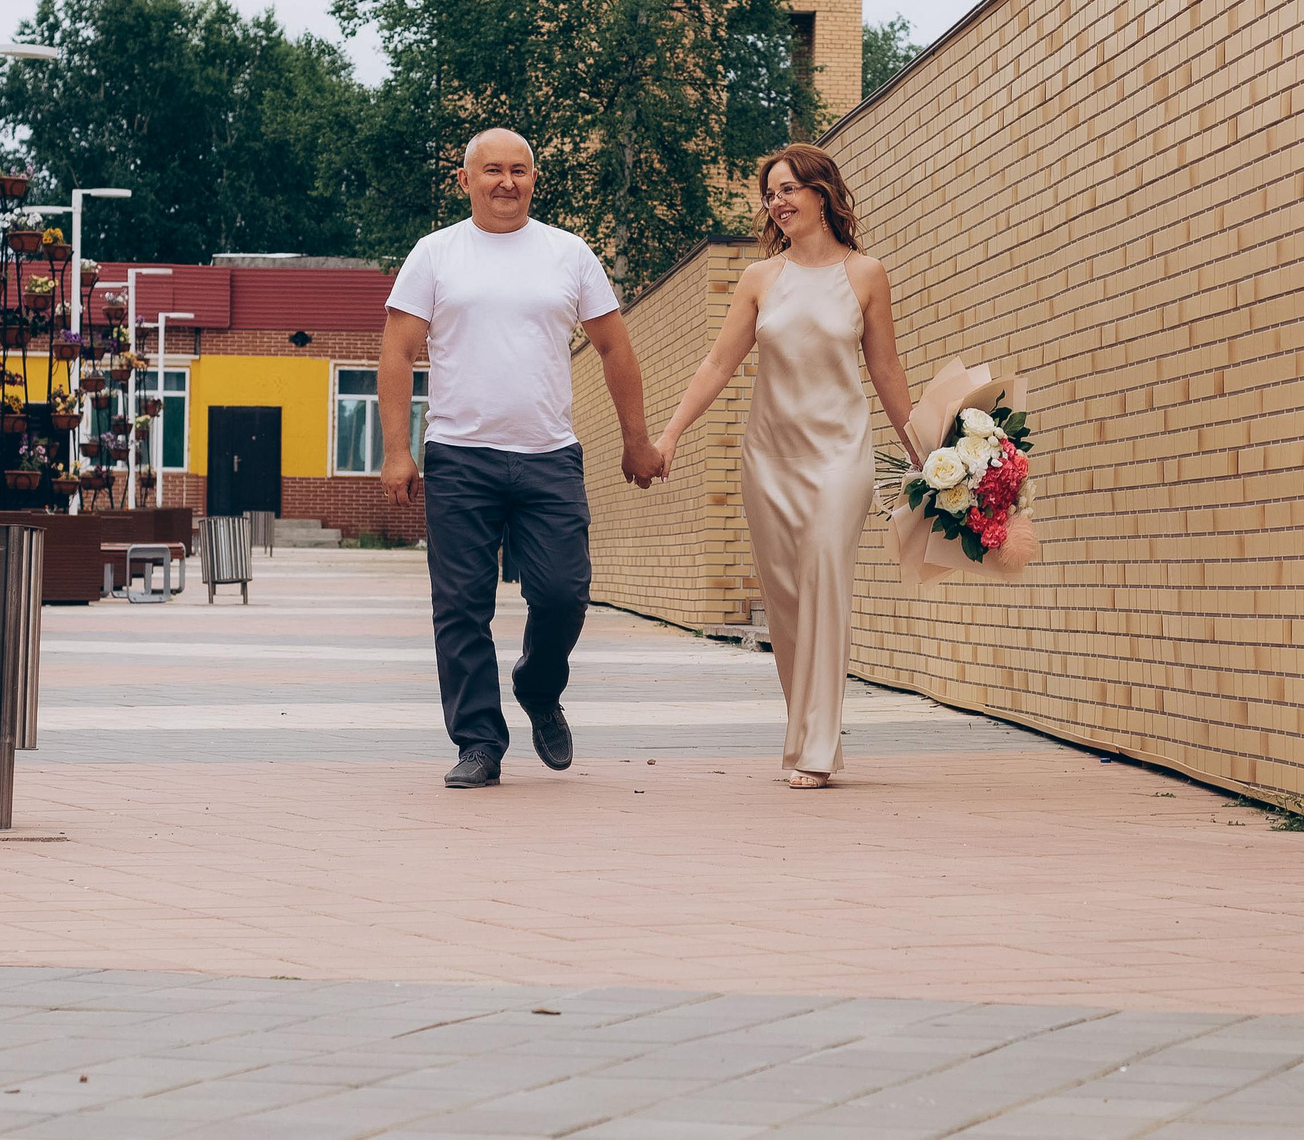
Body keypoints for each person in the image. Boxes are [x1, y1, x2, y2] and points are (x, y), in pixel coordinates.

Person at [381, 128, 661, 788]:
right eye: (492, 170)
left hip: (548, 457)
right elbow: (396, 353)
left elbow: (615, 349)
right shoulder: (435, 254)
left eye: (520, 170)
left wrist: (636, 439)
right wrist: (397, 452)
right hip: (460, 457)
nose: (507, 181)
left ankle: (538, 685)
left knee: (565, 592)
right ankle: (479, 739)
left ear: (535, 178)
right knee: (460, 606)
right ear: (465, 180)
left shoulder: (567, 254)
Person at [653, 145, 911, 788]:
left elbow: (885, 371)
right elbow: (718, 364)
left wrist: (924, 455)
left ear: (823, 195)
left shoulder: (867, 274)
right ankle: (805, 733)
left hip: (840, 456)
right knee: (787, 600)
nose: (779, 202)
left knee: (825, 579)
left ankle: (819, 747)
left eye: (791, 189)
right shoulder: (760, 279)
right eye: (771, 193)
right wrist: (670, 435)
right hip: (769, 457)